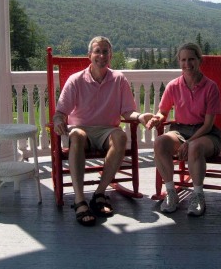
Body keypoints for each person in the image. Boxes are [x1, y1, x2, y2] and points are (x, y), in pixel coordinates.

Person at [53, 36, 153, 226]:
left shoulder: (119, 79)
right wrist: (58, 121)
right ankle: (80, 200)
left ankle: (99, 193)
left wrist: (139, 117)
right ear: (89, 55)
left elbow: (127, 111)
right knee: (77, 135)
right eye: (97, 51)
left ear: (111, 55)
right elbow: (60, 112)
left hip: (107, 130)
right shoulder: (75, 80)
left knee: (120, 136)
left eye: (105, 51)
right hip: (81, 129)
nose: (101, 55)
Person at [146, 43, 221, 216]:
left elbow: (208, 124)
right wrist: (156, 118)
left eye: (191, 59)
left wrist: (189, 142)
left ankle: (197, 195)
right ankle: (171, 192)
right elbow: (163, 112)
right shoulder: (173, 86)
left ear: (199, 60)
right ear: (179, 62)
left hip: (206, 134)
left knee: (195, 147)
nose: (187, 64)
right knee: (160, 142)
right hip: (180, 131)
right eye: (183, 60)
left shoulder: (211, 87)